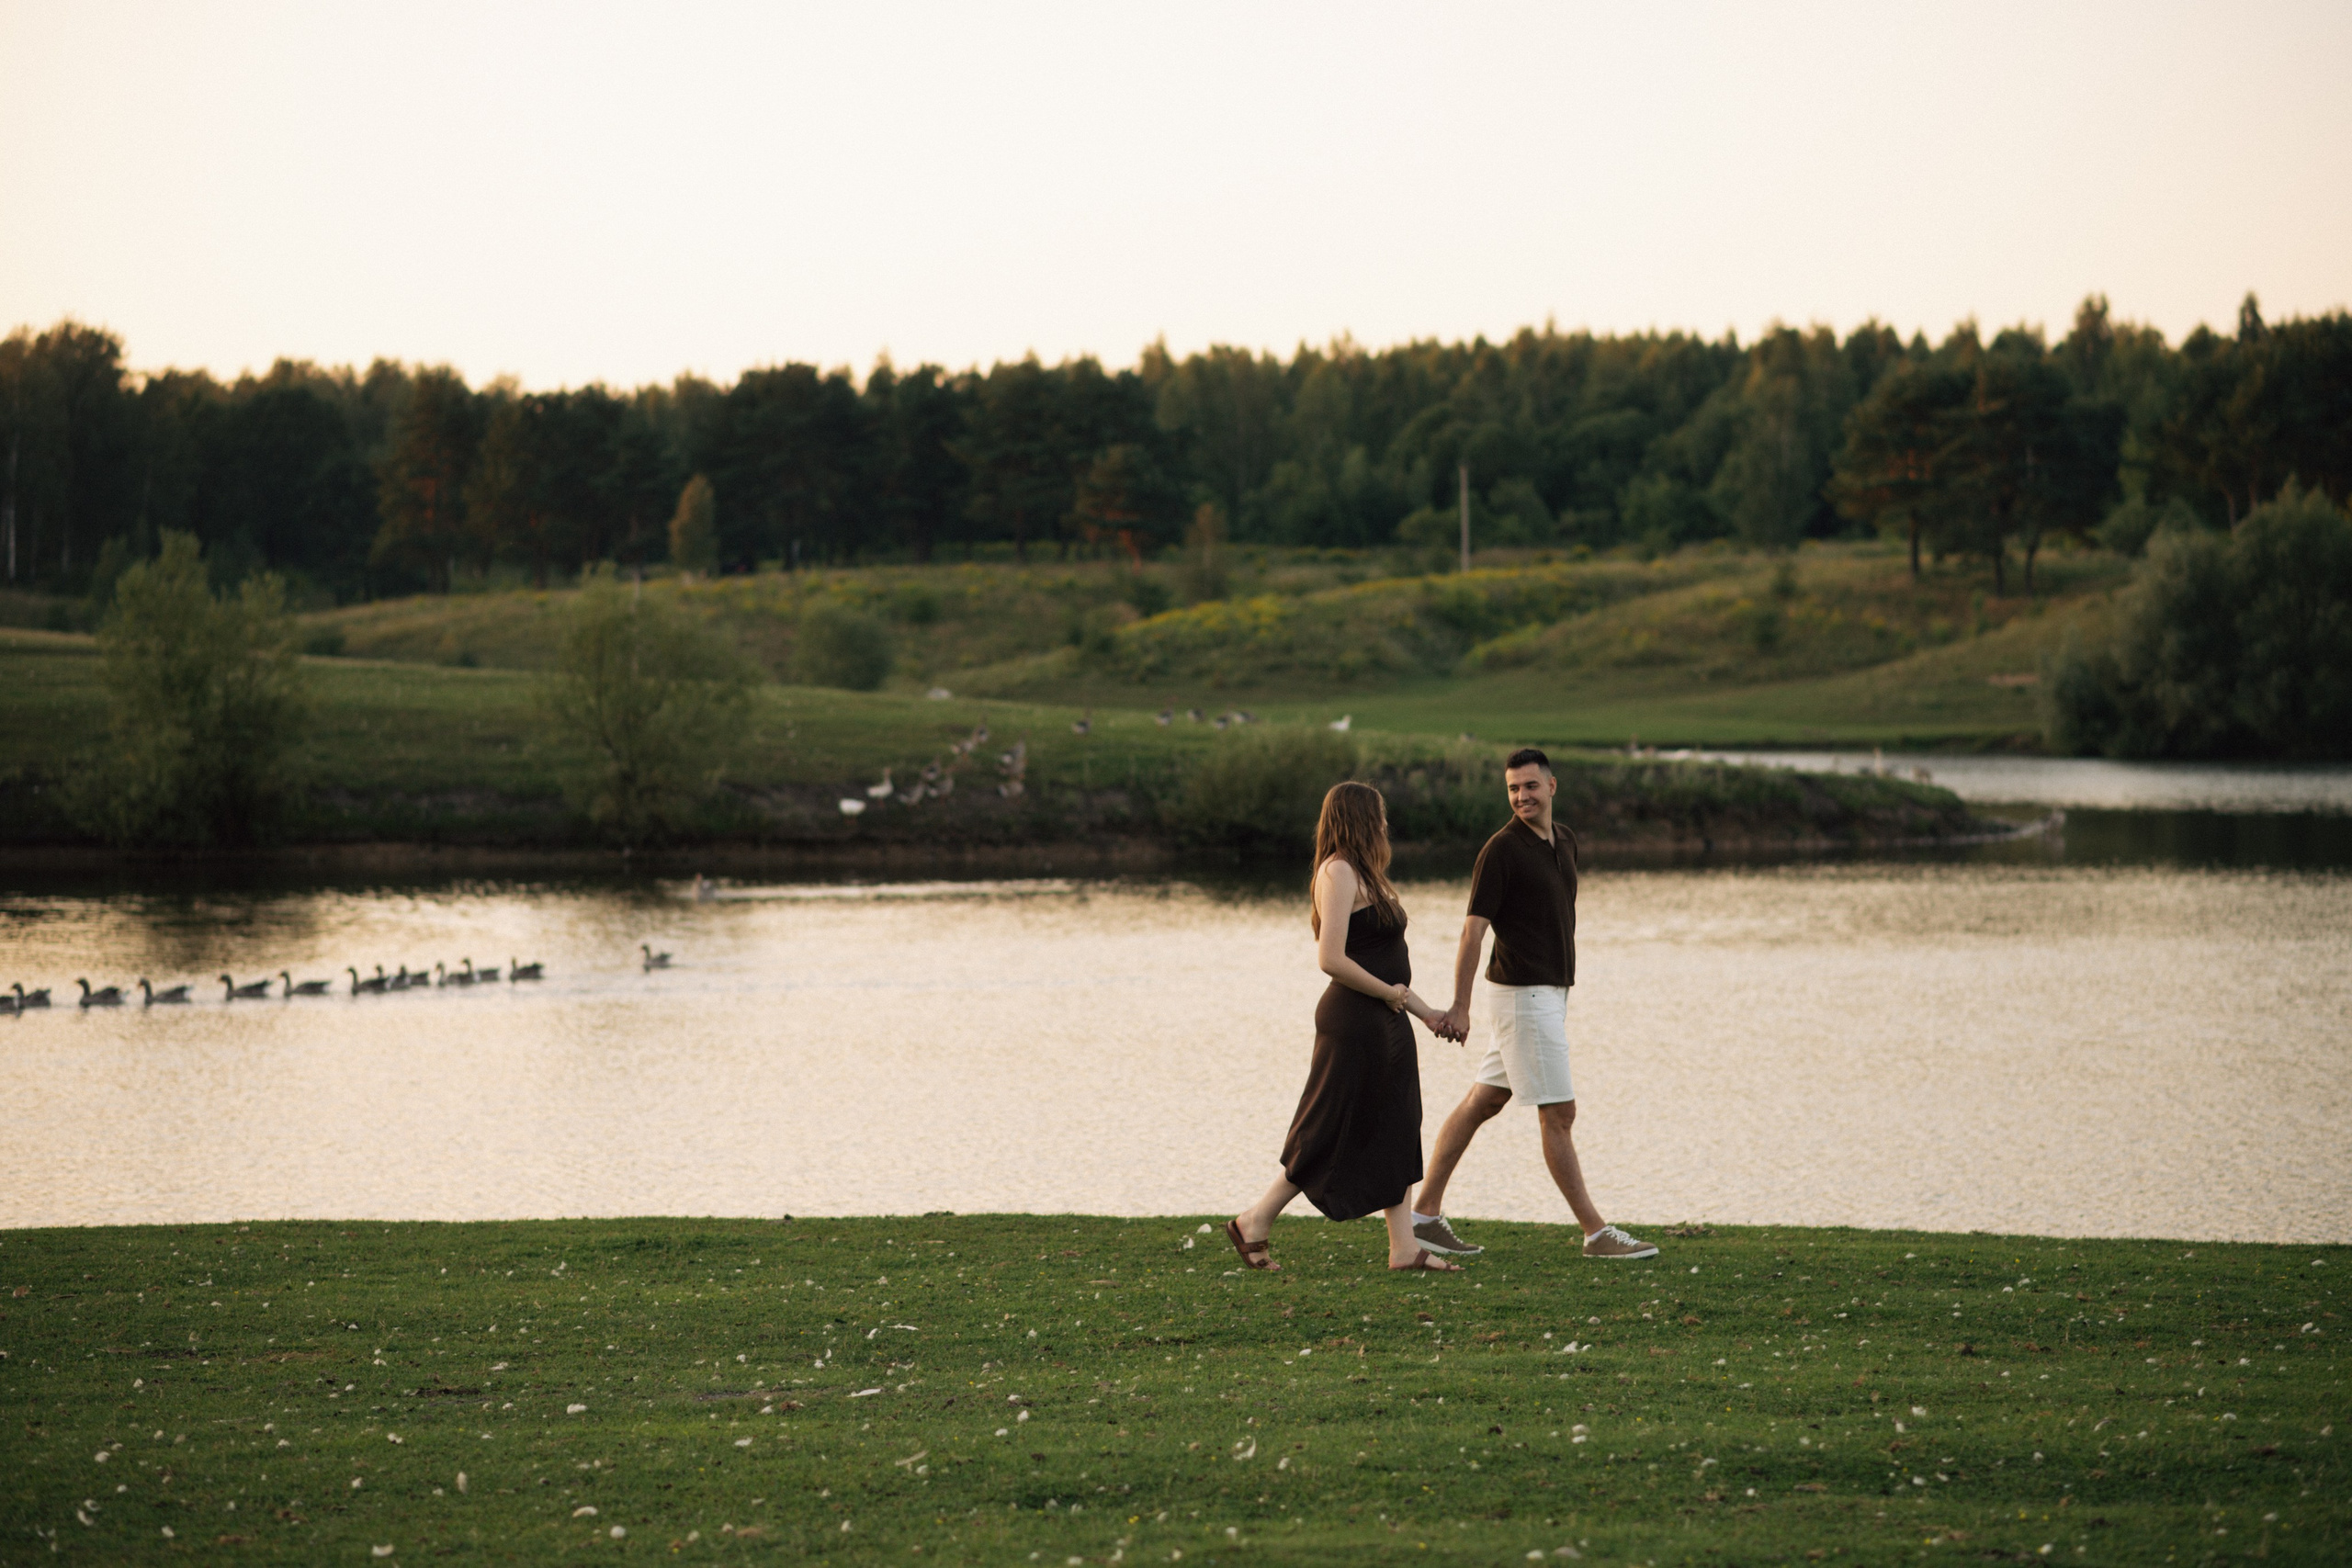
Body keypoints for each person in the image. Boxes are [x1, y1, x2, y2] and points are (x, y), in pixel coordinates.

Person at [1409, 748, 1657, 1262]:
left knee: (1484, 1101)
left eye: (1530, 786)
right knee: (1559, 1113)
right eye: (1513, 789)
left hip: (1550, 993)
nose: (1522, 796)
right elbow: (1472, 933)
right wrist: (1460, 1006)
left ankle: (1422, 1217)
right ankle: (1596, 1233)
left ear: (1552, 786)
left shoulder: (1563, 841)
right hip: (1522, 996)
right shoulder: (1500, 851)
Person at [1227, 782, 1463, 1274]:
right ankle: (1255, 1220)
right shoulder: (1337, 871)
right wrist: (1389, 997)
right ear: (1358, 818)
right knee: (1328, 1127)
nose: (1384, 825)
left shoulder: (1369, 877)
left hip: (1386, 1020)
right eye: (1378, 815)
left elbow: (1390, 971)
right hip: (1354, 1022)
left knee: (1399, 1124)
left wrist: (1427, 1013)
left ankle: (1403, 1248)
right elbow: (1330, 958)